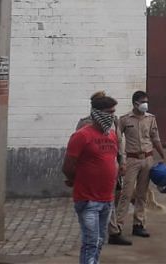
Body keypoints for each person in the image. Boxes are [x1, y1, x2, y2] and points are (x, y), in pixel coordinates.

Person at [63, 95, 121, 264]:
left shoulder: (111, 135)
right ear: (97, 113)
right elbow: (67, 166)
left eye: (114, 112)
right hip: (87, 199)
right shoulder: (82, 136)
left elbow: (112, 160)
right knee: (91, 242)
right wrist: (77, 180)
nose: (112, 116)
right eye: (109, 112)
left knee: (99, 241)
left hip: (106, 199)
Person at [76, 91, 131, 246]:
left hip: (109, 167)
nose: (111, 113)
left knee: (110, 199)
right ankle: (104, 233)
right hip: (92, 171)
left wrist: (122, 161)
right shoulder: (84, 124)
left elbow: (118, 142)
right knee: (94, 203)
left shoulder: (113, 122)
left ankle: (111, 231)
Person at [111, 91, 165, 239]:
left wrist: (162, 155)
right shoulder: (124, 120)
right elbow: (117, 139)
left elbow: (155, 138)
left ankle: (139, 224)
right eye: (142, 102)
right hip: (131, 159)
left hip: (147, 158)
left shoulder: (150, 119)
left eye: (146, 101)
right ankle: (118, 227)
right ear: (135, 103)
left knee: (142, 194)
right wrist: (119, 159)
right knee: (126, 194)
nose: (145, 105)